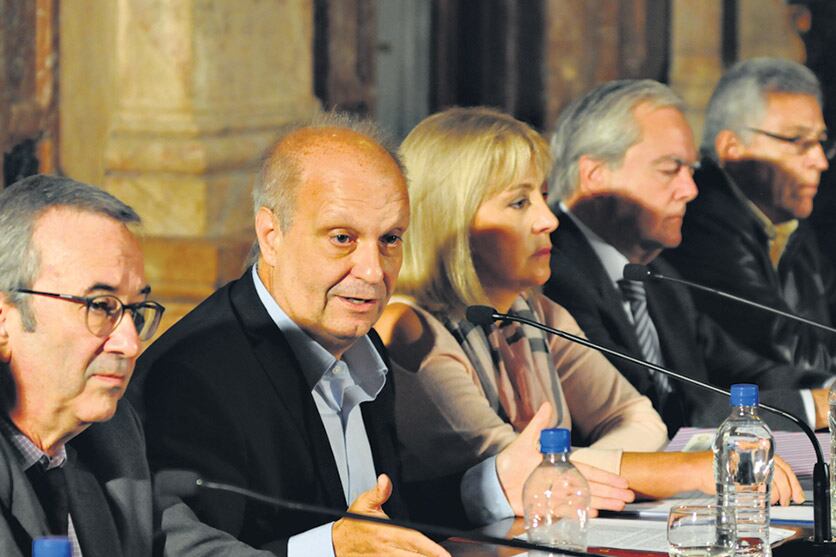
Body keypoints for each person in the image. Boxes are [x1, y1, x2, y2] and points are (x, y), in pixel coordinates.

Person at [132, 112, 549, 555]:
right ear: (271, 234)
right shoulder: (193, 377)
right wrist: (329, 549)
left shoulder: (358, 340)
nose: (372, 271)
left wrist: (493, 486)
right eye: (342, 238)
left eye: (390, 239)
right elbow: (190, 551)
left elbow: (378, 525)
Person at [375, 107, 803, 528]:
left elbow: (636, 417)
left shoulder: (536, 312)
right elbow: (510, 468)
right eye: (519, 202)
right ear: (453, 219)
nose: (546, 220)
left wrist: (585, 474)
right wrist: (679, 471)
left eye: (543, 196)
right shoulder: (409, 328)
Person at [0, 175, 275, 557]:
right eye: (100, 306)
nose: (130, 344)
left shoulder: (110, 433)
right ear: (3, 319)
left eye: (134, 310)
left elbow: (186, 548)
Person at [543, 79, 833, 435]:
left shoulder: (658, 276)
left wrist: (829, 388)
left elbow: (747, 370)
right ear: (595, 176)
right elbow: (661, 409)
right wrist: (812, 406)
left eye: (692, 170)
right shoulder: (551, 272)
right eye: (670, 170)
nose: (691, 190)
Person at [665, 58, 836, 374]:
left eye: (821, 142)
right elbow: (783, 345)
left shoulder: (788, 222)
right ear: (732, 148)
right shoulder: (701, 221)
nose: (819, 161)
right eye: (799, 141)